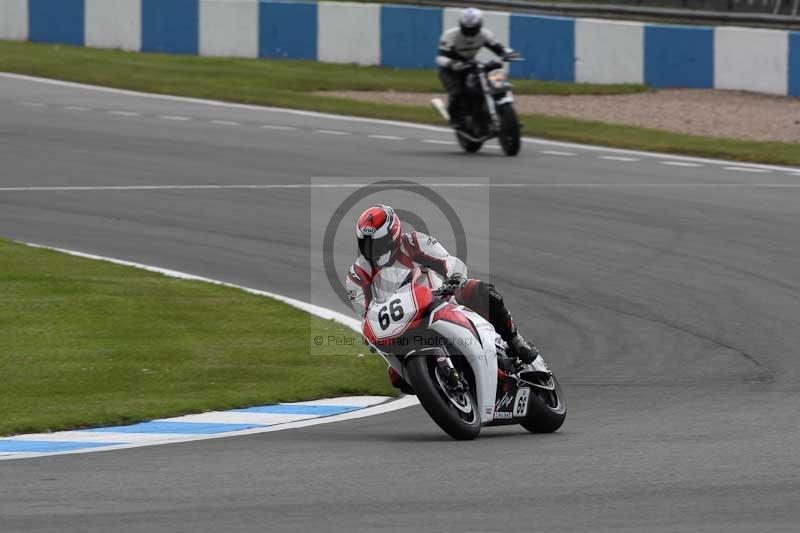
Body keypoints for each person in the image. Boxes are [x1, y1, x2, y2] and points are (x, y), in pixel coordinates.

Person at [345, 204, 541, 393]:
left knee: (479, 290)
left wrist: (454, 278)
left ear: (393, 236)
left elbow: (448, 261)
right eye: (365, 243)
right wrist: (369, 335)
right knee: (397, 377)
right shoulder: (357, 274)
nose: (371, 249)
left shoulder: (414, 243)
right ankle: (443, 390)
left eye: (376, 243)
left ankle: (516, 340)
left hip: (441, 300)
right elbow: (366, 314)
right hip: (403, 326)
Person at [435, 7, 518, 128]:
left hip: (470, 64)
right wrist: (452, 64)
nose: (469, 34)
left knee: (487, 81)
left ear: (479, 25)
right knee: (458, 92)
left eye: (473, 29)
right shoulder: (450, 36)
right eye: (466, 29)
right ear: (461, 25)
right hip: (450, 69)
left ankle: (493, 112)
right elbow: (440, 58)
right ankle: (456, 119)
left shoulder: (485, 34)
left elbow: (498, 48)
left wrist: (509, 53)